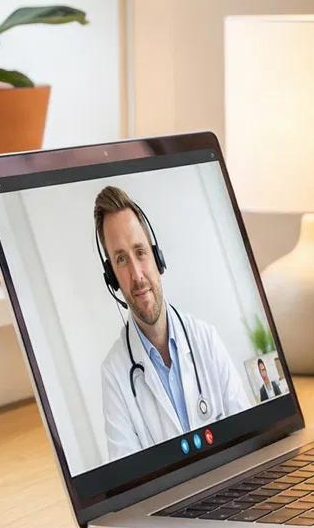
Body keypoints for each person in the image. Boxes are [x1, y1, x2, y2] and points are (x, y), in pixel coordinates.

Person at [94, 186, 256, 461]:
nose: (137, 275)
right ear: (112, 279)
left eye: (140, 252)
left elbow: (249, 438)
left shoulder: (206, 339)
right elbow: (129, 480)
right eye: (121, 259)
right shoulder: (114, 374)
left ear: (157, 259)